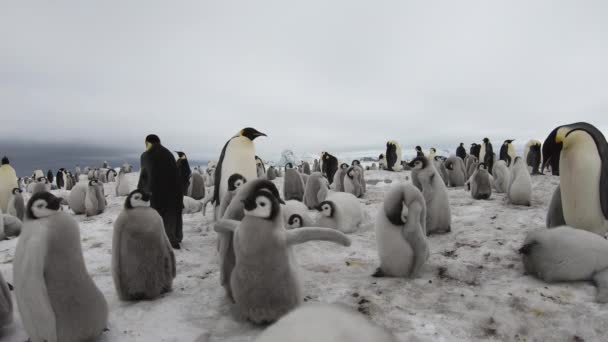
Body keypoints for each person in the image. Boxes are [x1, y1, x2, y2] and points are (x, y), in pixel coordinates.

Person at [138, 134, 184, 249]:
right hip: (173, 191)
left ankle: (158, 238)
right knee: (171, 213)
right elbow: (176, 175)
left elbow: (144, 176)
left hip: (155, 191)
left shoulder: (145, 156)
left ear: (148, 143)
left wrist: (141, 191)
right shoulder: (168, 153)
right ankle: (174, 239)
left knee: (157, 215)